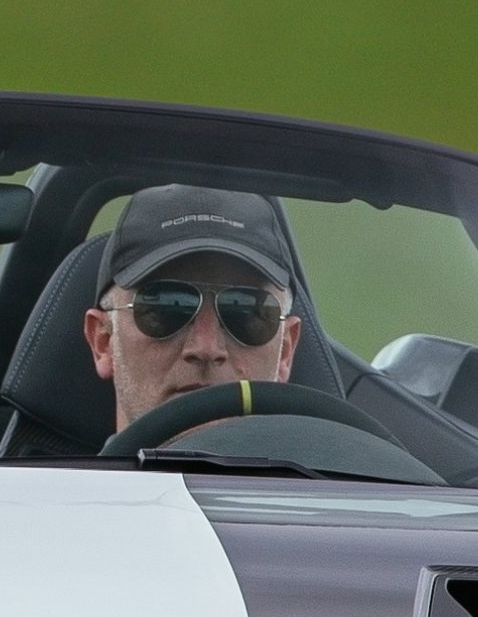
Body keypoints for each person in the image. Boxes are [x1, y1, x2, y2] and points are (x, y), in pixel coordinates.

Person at [78, 184, 313, 436]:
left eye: (245, 311)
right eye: (168, 307)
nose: (206, 348)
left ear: (285, 351)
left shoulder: (341, 474)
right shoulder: (47, 477)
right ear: (103, 342)